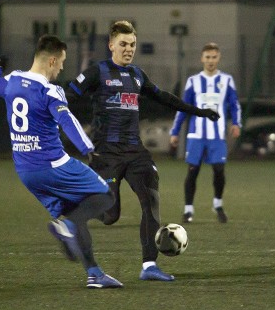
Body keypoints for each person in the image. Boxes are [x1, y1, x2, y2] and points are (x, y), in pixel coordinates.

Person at [67, 20, 219, 282]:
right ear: (111, 44)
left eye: (133, 44)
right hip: (107, 155)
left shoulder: (137, 75)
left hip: (136, 152)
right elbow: (66, 96)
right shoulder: (97, 72)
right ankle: (75, 214)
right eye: (123, 44)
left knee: (151, 200)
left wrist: (198, 111)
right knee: (110, 215)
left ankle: (149, 265)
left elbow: (163, 97)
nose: (129, 49)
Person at [0, 35, 122, 289]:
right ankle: (68, 226)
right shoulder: (49, 90)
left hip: (25, 171)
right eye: (62, 63)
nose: (61, 69)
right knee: (106, 196)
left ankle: (95, 274)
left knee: (74, 214)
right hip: (54, 165)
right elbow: (66, 120)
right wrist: (89, 150)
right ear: (53, 60)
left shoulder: (12, 82)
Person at [169, 42, 241, 224]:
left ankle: (218, 205)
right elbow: (183, 107)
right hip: (196, 135)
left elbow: (234, 104)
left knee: (219, 170)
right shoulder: (193, 81)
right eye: (207, 57)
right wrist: (175, 131)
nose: (210, 60)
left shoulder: (226, 80)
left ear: (219, 58)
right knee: (193, 171)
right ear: (202, 58)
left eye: (214, 57)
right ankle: (188, 210)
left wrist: (236, 123)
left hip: (217, 135)